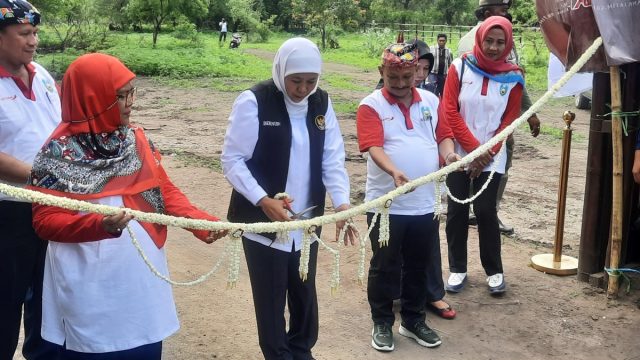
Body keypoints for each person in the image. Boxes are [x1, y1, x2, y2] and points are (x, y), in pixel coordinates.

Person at [28, 53, 226, 358]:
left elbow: (162, 189)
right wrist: (98, 226)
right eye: (121, 95)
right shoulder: (56, 154)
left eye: (132, 92)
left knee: (143, 346)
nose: (130, 101)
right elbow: (45, 222)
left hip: (139, 277)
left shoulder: (135, 140)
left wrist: (199, 222)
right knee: (93, 349)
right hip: (87, 277)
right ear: (93, 98)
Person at [221, 37, 356, 360]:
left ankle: (301, 349)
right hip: (262, 223)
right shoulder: (254, 101)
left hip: (306, 222)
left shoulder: (321, 103)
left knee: (303, 291)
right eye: (295, 81)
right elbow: (232, 160)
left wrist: (341, 204)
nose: (303, 89)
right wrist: (262, 200)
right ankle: (278, 355)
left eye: (311, 81)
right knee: (270, 297)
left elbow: (332, 159)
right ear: (281, 72)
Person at [356, 42, 460, 352]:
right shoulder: (370, 105)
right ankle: (382, 322)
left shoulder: (430, 99)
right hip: (386, 205)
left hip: (424, 205)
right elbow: (373, 147)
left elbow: (443, 136)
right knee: (385, 266)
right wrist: (394, 172)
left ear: (416, 71)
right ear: (381, 72)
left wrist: (450, 155)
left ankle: (413, 321)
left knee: (419, 265)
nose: (401, 85)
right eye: (392, 78)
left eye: (407, 77)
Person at [442, 16, 524, 295]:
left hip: (492, 154)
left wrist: (485, 154)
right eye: (489, 40)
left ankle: (494, 271)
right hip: (456, 153)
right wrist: (472, 153)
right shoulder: (460, 66)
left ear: (508, 44)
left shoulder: (514, 77)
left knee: (486, 211)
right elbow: (449, 110)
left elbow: (509, 121)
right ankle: (457, 269)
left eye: (500, 42)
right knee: (456, 211)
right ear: (480, 37)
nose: (493, 47)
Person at [0, 1, 62, 359]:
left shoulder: (42, 75)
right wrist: (40, 174)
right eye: (24, 33)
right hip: (10, 213)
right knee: (6, 302)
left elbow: (61, 128)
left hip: (51, 207)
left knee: (48, 301)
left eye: (35, 32)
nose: (33, 40)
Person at [457, 0, 541, 234]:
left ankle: (489, 211)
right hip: (474, 119)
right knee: (469, 166)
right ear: (486, 12)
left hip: (503, 119)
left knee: (501, 165)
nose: (507, 14)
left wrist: (529, 112)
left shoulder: (505, 37)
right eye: (502, 10)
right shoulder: (469, 41)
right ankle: (470, 211)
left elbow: (513, 77)